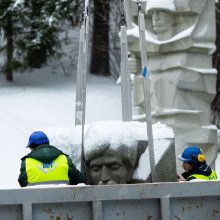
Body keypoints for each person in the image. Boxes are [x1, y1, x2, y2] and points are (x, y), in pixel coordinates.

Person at [18, 131, 86, 187]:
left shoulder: (27, 162)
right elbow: (80, 180)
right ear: (47, 143)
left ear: (32, 147)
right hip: (63, 201)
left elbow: (22, 182)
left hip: (36, 201)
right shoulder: (64, 158)